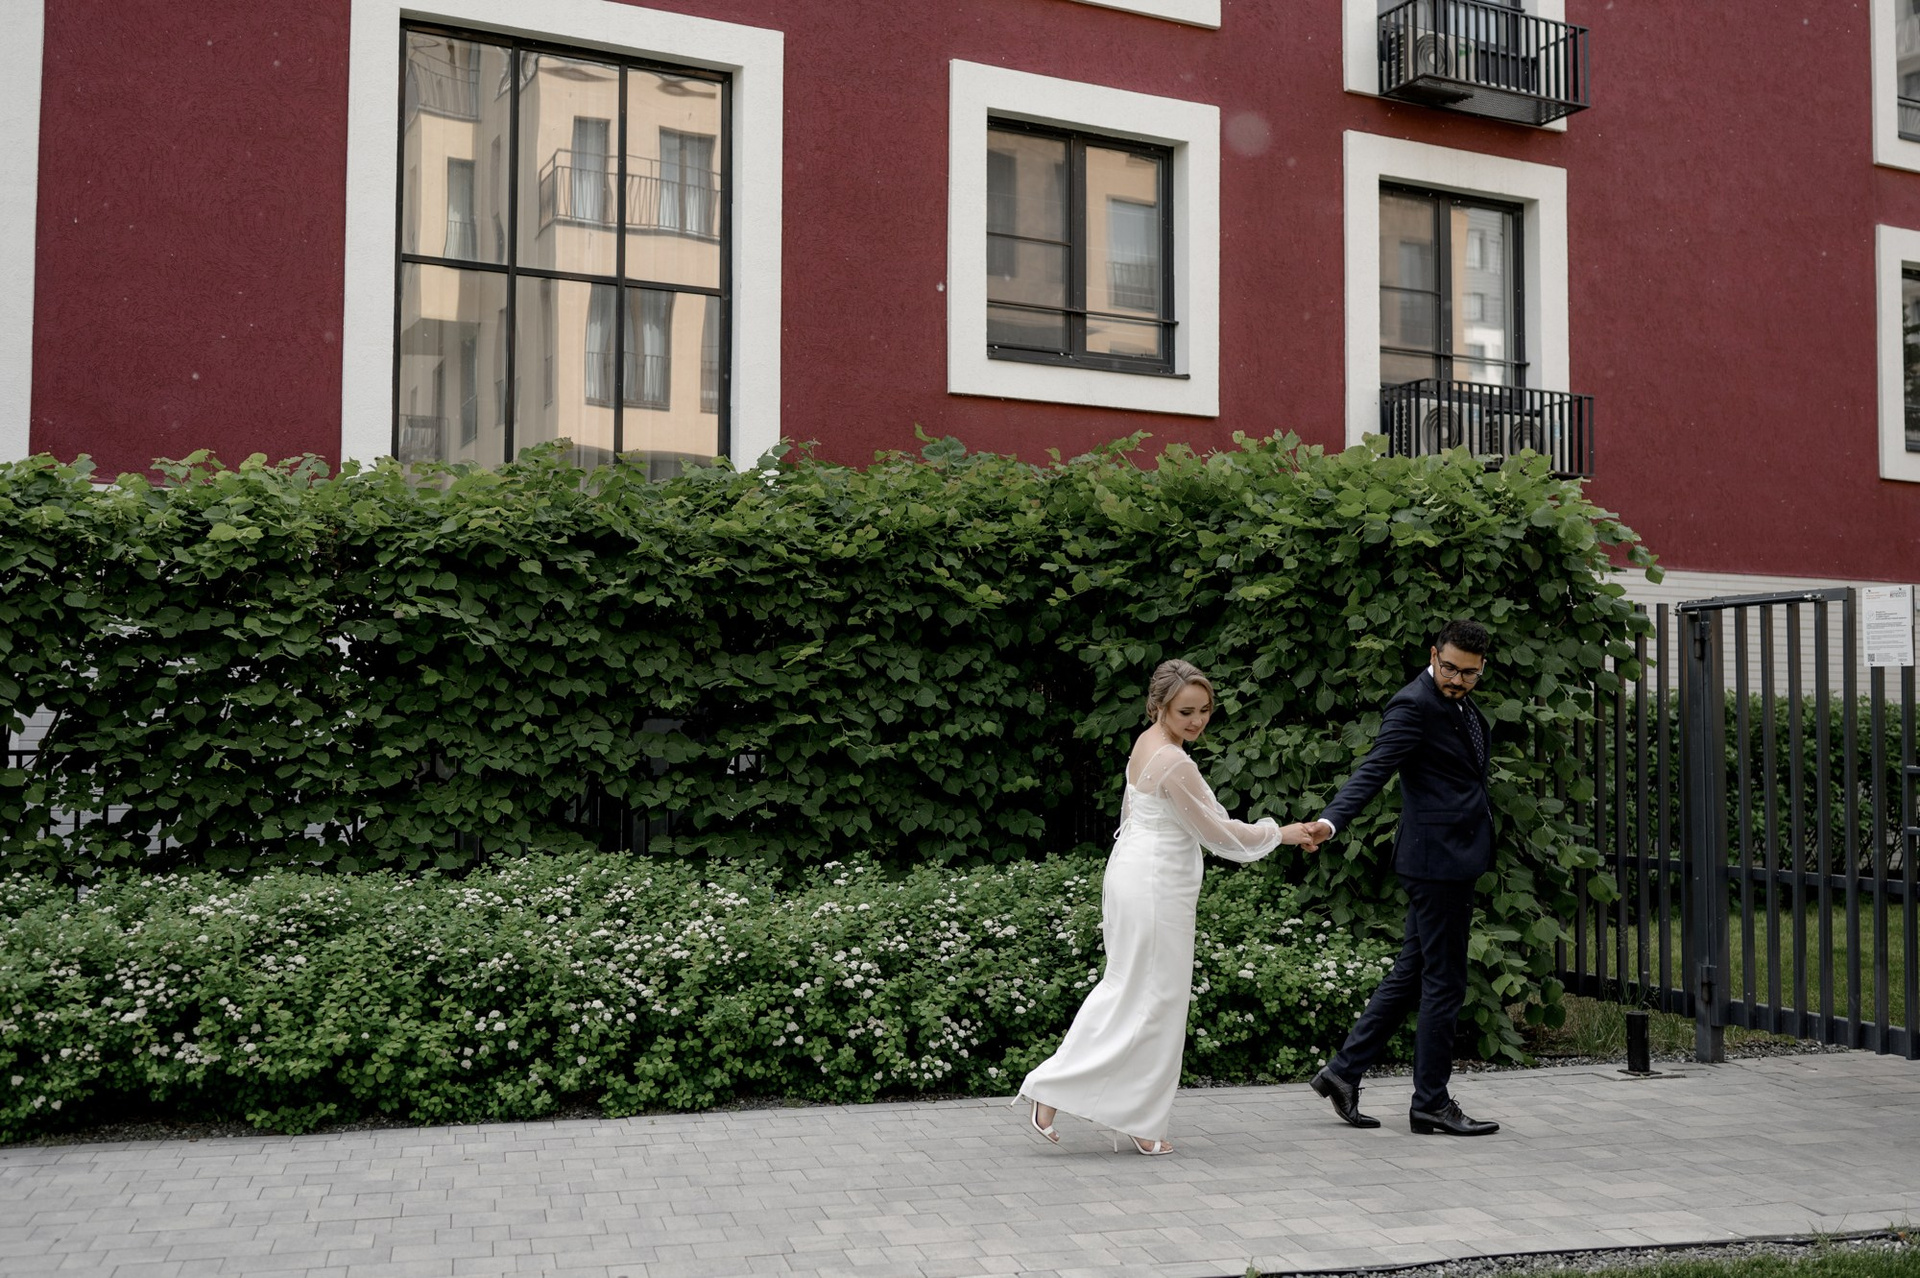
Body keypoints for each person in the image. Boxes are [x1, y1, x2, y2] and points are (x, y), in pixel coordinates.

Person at [1017, 658, 1321, 1156]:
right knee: (1156, 1001)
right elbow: (1218, 833)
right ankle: (1072, 1095)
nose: (1197, 721)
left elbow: (1141, 815)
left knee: (1132, 991)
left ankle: (1111, 1109)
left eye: (1204, 710)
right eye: (1186, 712)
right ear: (1158, 706)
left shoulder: (1148, 742)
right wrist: (1280, 833)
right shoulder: (1175, 762)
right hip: (1155, 886)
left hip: (1137, 874)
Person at [1302, 619, 1501, 1137]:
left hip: (1448, 857)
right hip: (1437, 864)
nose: (1457, 680)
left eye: (1469, 673)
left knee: (1412, 972)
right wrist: (1330, 822)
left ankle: (1342, 1073)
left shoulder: (1458, 703)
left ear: (1482, 668)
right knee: (1445, 983)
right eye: (1449, 668)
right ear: (1433, 655)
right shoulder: (1413, 705)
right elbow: (1374, 769)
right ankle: (1430, 1102)